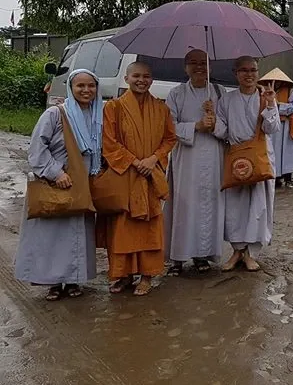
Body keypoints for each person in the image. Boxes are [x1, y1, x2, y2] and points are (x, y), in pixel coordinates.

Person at [14, 69, 102, 301]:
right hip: (57, 183)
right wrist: (56, 173)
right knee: (51, 236)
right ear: (71, 88)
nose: (86, 90)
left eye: (91, 86)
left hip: (81, 185)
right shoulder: (55, 113)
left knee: (77, 235)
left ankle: (73, 280)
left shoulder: (98, 116)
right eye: (80, 86)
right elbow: (37, 148)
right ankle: (52, 283)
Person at [98, 61, 177, 296]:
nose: (141, 80)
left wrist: (153, 159)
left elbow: (170, 139)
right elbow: (109, 142)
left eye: (146, 76)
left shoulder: (161, 108)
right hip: (126, 175)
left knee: (149, 228)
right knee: (122, 228)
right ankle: (123, 275)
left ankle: (147, 276)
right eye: (136, 76)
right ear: (126, 79)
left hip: (150, 175)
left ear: (151, 80)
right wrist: (134, 162)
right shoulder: (114, 107)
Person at [214, 56, 280, 272]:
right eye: (244, 70)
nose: (249, 74)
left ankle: (251, 253)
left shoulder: (265, 97)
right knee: (234, 206)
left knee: (259, 205)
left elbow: (272, 128)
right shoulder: (226, 99)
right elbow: (222, 131)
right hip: (236, 157)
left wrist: (271, 104)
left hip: (260, 155)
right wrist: (211, 118)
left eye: (253, 70)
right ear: (236, 73)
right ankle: (237, 251)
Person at [164, 49, 223, 276]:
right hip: (186, 158)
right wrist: (196, 126)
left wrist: (214, 122)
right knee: (184, 205)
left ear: (210, 67)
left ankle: (202, 254)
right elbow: (168, 127)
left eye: (203, 63)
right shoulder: (176, 94)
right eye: (194, 63)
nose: (199, 67)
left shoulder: (218, 92)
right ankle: (177, 257)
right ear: (185, 67)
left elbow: (228, 127)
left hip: (213, 156)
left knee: (207, 205)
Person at [258, 68, 293, 189]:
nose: (276, 82)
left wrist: (278, 106)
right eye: (274, 80)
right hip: (273, 125)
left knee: (287, 152)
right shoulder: (266, 90)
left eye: (278, 81)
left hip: (286, 125)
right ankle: (276, 177)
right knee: (274, 152)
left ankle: (288, 178)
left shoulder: (290, 90)